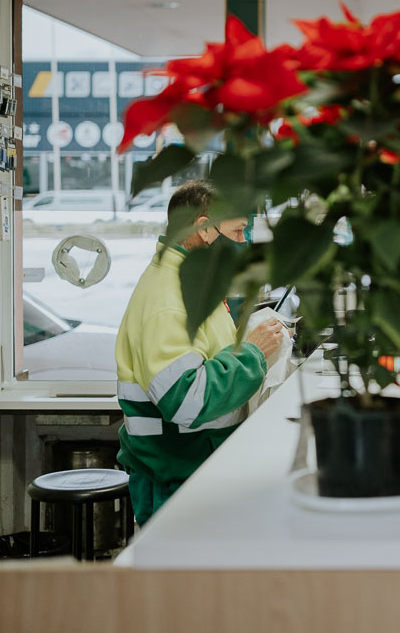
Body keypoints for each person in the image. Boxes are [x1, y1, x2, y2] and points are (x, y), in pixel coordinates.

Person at [116, 180, 289, 525]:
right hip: (175, 478)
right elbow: (186, 398)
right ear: (204, 229)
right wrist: (254, 352)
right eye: (238, 232)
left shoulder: (189, 283)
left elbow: (205, 356)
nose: (244, 242)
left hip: (193, 469)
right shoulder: (169, 300)